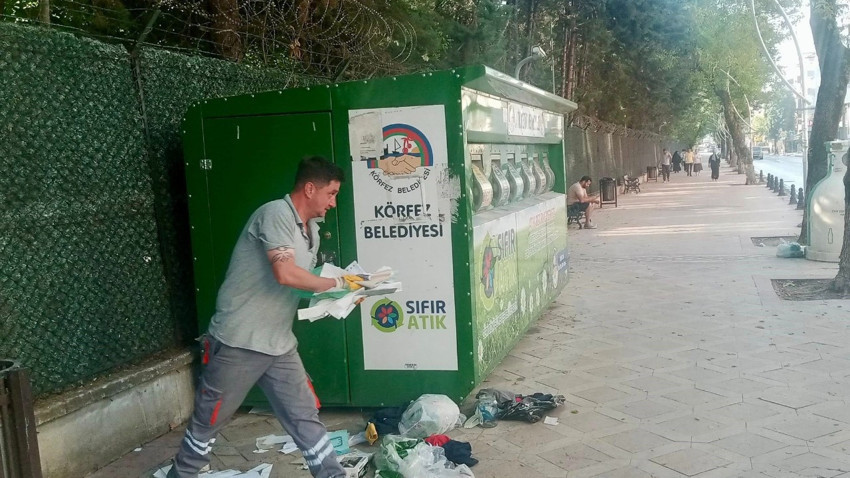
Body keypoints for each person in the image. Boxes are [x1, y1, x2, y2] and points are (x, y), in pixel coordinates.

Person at [166, 156, 353, 478]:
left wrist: (348, 293)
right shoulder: (276, 214)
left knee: (303, 414)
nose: (333, 203)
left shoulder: (310, 231)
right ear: (310, 188)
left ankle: (332, 474)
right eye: (331, 193)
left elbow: (299, 287)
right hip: (240, 341)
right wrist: (336, 284)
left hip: (278, 343)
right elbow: (285, 274)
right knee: (209, 420)